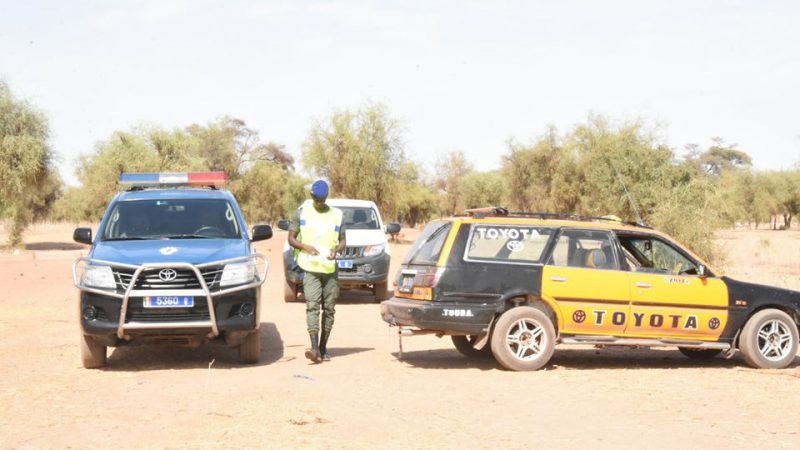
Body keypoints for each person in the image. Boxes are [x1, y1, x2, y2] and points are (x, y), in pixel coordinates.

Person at [288, 180, 346, 363]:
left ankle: (323, 347)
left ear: (326, 196)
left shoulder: (337, 215)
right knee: (312, 306)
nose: (319, 202)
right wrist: (305, 246)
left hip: (329, 269)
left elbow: (344, 240)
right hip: (311, 267)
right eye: (316, 199)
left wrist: (337, 251)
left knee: (329, 309)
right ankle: (313, 348)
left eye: (322, 199)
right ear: (312, 196)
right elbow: (291, 238)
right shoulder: (301, 212)